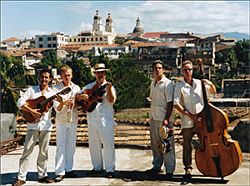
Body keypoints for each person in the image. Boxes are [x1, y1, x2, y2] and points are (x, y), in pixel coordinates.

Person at [12, 69, 61, 186]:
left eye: (47, 77)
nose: (44, 79)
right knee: (27, 151)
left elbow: (58, 109)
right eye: (42, 77)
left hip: (46, 126)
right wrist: (31, 111)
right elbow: (20, 102)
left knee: (44, 152)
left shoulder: (52, 93)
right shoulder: (31, 90)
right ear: (39, 78)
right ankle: (21, 177)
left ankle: (43, 175)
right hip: (32, 125)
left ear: (50, 79)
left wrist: (61, 101)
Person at [173, 60, 216, 178]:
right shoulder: (179, 86)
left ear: (192, 71)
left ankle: (208, 165)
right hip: (187, 120)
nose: (188, 72)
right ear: (182, 71)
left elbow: (213, 92)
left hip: (202, 119)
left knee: (205, 142)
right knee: (187, 145)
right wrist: (190, 115)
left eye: (189, 69)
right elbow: (176, 104)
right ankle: (188, 168)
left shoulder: (199, 83)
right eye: (185, 70)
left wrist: (210, 84)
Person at [76, 63, 116, 178]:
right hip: (92, 119)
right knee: (94, 145)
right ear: (95, 74)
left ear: (105, 73)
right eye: (98, 72)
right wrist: (82, 97)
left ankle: (110, 170)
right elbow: (79, 96)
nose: (100, 75)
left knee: (108, 145)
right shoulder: (89, 87)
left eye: (102, 72)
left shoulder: (110, 87)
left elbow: (111, 100)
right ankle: (97, 168)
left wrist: (108, 90)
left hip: (105, 121)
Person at [145, 60, 176, 179]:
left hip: (164, 119)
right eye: (155, 68)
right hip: (154, 117)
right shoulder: (153, 82)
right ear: (153, 70)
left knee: (167, 145)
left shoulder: (168, 84)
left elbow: (170, 103)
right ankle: (157, 166)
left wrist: (167, 119)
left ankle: (170, 169)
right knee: (156, 144)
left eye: (159, 68)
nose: (157, 70)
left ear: (163, 70)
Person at [52, 66, 81, 182]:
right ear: (61, 76)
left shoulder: (77, 88)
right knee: (60, 146)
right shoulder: (55, 89)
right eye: (65, 75)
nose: (67, 77)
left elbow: (80, 104)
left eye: (69, 75)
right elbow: (56, 108)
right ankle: (59, 172)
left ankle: (68, 169)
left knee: (71, 146)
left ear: (72, 75)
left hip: (73, 119)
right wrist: (63, 103)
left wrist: (75, 102)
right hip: (61, 120)